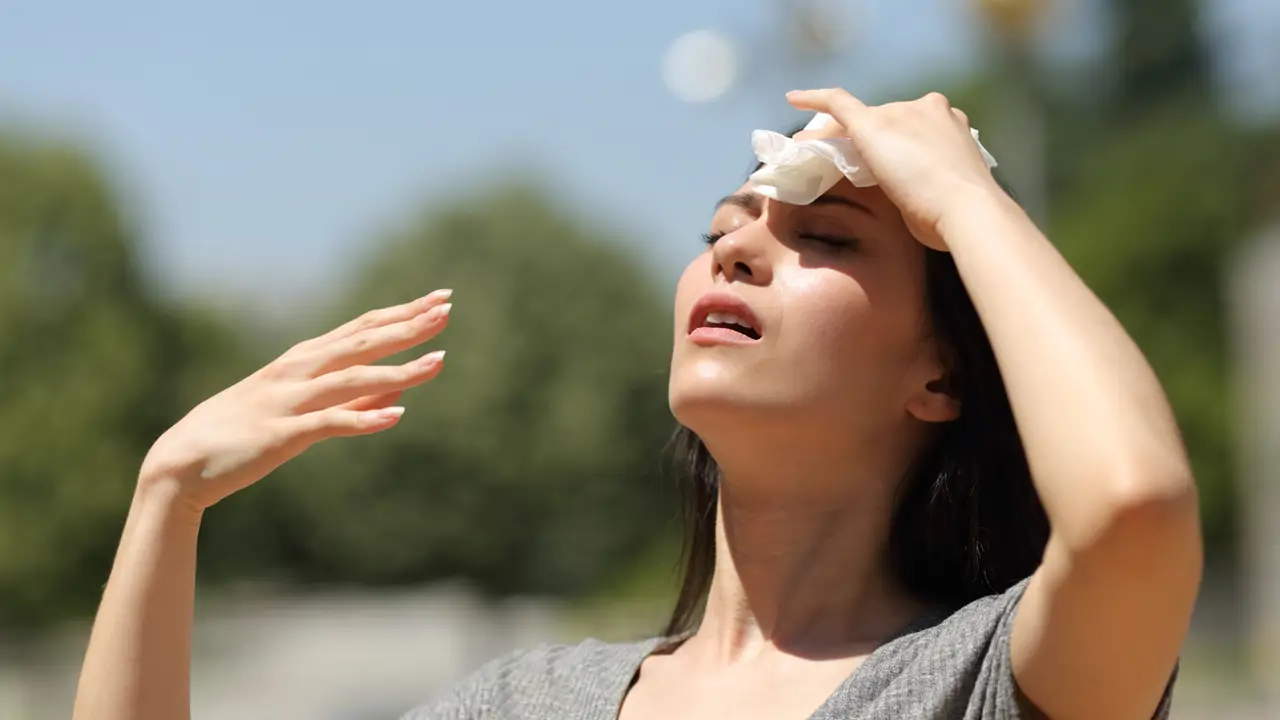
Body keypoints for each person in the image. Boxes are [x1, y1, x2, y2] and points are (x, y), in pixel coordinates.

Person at [72, 89, 1202, 720]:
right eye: (718, 231)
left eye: (824, 236)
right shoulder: (522, 707)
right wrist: (166, 503)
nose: (739, 253)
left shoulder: (984, 684)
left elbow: (1131, 511)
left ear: (940, 377)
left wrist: (959, 192)